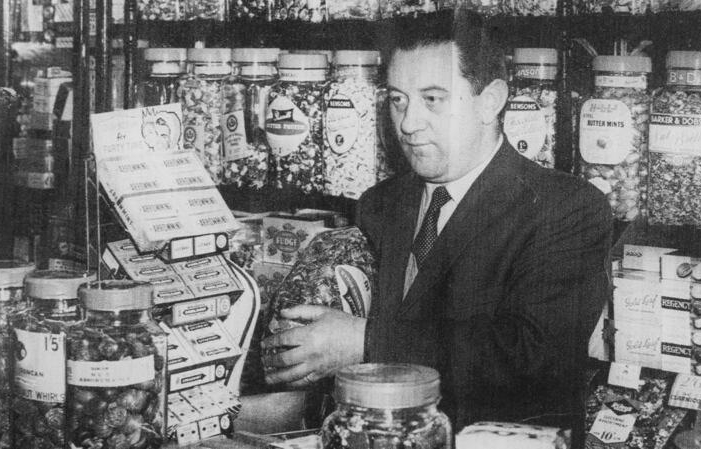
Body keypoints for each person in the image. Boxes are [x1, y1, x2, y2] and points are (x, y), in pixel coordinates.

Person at [261, 11, 613, 435]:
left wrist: (364, 342)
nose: (408, 124)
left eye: (433, 99)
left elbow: (534, 354)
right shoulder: (380, 203)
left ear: (491, 100)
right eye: (397, 99)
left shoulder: (564, 206)